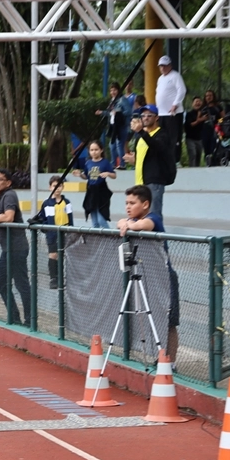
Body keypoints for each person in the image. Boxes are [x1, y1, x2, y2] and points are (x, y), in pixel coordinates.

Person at [116, 185, 179, 365]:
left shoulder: (153, 218)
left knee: (169, 323)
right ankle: (156, 357)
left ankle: (170, 363)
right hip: (146, 276)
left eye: (132, 203)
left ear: (145, 204)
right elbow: (120, 222)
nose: (128, 207)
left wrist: (129, 224)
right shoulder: (130, 219)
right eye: (126, 203)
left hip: (165, 278)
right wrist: (125, 223)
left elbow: (144, 225)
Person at [0, 170, 31, 326]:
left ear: (8, 182)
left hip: (16, 247)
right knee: (1, 283)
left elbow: (8, 217)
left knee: (20, 284)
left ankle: (30, 319)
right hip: (8, 248)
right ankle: (15, 317)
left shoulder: (9, 195)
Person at [123, 104, 176, 219]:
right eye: (143, 115)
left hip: (154, 181)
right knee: (140, 216)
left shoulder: (162, 134)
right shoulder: (140, 136)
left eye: (149, 115)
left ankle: (159, 237)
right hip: (140, 181)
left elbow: (157, 147)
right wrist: (134, 160)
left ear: (156, 117)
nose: (145, 118)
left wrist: (141, 131)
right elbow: (145, 157)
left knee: (153, 215)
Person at [35, 176, 74, 289]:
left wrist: (71, 231)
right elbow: (42, 218)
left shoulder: (67, 202)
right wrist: (45, 229)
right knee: (53, 255)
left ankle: (61, 278)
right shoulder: (47, 203)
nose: (57, 189)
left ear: (63, 187)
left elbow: (70, 218)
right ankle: (53, 278)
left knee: (61, 255)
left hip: (65, 233)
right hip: (52, 234)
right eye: (54, 186)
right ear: (50, 187)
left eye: (59, 186)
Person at [74, 140, 114, 229]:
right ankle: (96, 241)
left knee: (101, 220)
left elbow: (114, 175)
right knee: (94, 222)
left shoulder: (105, 162)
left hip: (101, 192)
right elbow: (86, 176)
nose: (94, 152)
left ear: (101, 150)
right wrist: (80, 175)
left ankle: (112, 237)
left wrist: (108, 173)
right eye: (91, 150)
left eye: (96, 149)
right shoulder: (88, 163)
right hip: (91, 192)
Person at [155, 55, 187, 164]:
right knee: (162, 137)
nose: (162, 68)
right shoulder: (160, 79)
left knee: (173, 137)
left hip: (173, 113)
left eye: (165, 65)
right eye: (161, 66)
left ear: (170, 65)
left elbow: (182, 90)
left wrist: (175, 104)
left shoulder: (175, 76)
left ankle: (175, 160)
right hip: (162, 113)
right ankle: (164, 159)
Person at [96, 82, 132, 170]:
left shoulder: (122, 99)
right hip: (114, 127)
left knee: (119, 144)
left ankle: (122, 164)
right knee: (112, 145)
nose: (113, 92)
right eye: (111, 90)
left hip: (121, 126)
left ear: (119, 90)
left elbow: (128, 111)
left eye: (114, 90)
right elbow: (111, 114)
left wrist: (119, 112)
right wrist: (102, 113)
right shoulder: (112, 101)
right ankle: (113, 164)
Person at [183, 96, 208, 167]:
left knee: (199, 156)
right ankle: (192, 170)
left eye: (199, 101)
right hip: (190, 138)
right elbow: (190, 125)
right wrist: (199, 120)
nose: (198, 103)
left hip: (199, 138)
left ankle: (197, 171)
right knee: (193, 154)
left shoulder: (204, 113)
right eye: (196, 101)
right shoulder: (189, 114)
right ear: (192, 104)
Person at [201, 90, 223, 165]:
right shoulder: (203, 108)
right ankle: (208, 162)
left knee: (214, 147)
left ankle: (215, 161)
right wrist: (203, 118)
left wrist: (219, 122)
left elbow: (223, 117)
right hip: (205, 130)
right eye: (207, 96)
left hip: (216, 130)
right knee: (206, 147)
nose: (208, 97)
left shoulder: (218, 107)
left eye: (210, 95)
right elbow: (198, 119)